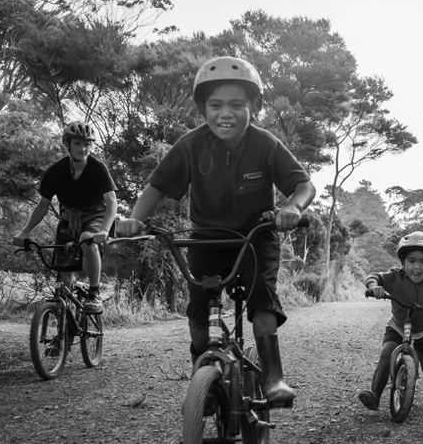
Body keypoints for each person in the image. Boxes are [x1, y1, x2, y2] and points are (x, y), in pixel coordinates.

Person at [114, 55, 316, 407]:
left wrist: (291, 207)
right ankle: (202, 378)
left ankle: (273, 378)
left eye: (237, 105)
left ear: (253, 107)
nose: (226, 113)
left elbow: (303, 185)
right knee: (197, 312)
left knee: (263, 306)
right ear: (202, 109)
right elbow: (157, 187)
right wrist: (134, 220)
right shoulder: (191, 145)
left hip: (256, 238)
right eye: (216, 105)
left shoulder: (265, 144)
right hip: (207, 239)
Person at [14, 121, 117, 314]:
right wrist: (25, 231)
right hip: (69, 221)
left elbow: (112, 203)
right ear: (67, 144)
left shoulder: (98, 168)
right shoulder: (56, 171)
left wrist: (104, 229)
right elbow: (43, 204)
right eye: (78, 143)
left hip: (96, 216)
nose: (83, 148)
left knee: (87, 240)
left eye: (87, 144)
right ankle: (62, 337)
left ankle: (94, 293)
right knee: (63, 286)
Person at [357, 231, 423, 412]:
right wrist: (375, 287)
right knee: (386, 353)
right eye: (411, 261)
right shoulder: (395, 275)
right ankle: (375, 394)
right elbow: (373, 276)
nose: (417, 267)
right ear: (403, 262)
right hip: (397, 326)